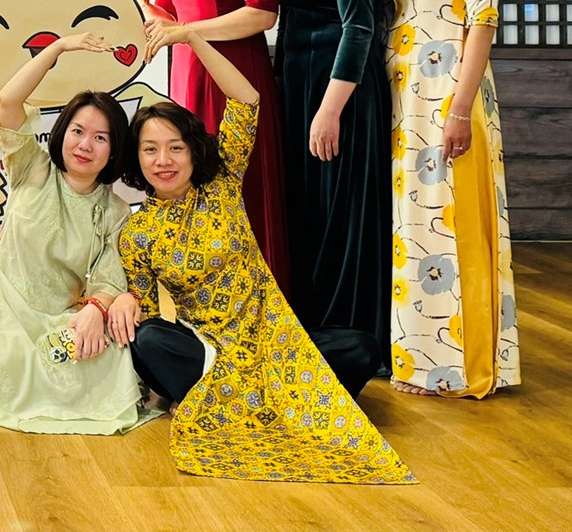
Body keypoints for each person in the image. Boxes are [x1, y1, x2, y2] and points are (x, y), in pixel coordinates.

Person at [113, 29, 412, 484]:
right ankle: (265, 398)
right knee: (150, 339)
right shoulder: (137, 233)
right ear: (137, 159)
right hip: (209, 352)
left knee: (360, 348)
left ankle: (245, 398)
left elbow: (247, 99)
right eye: (150, 150)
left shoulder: (221, 185)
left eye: (175, 147)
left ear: (193, 152)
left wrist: (192, 36)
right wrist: (124, 300)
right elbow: (149, 315)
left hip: (273, 344)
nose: (163, 160)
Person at [378, 0, 520, 398]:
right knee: (409, 227)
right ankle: (411, 358)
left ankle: (459, 367)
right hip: (395, 98)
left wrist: (460, 108)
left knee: (447, 220)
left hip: (447, 93)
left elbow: (482, 22)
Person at [122, 0, 289, 287]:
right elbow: (167, 19)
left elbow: (261, 14)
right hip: (188, 76)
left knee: (239, 180)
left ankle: (257, 296)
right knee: (189, 176)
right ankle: (199, 295)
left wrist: (188, 33)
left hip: (235, 74)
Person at [0, 33, 144, 435]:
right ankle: (38, 384)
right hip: (4, 319)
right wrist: (57, 48)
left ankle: (41, 382)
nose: (85, 145)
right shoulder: (32, 167)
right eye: (78, 131)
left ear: (114, 150)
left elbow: (110, 278)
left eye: (100, 138)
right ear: (62, 132)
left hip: (59, 321)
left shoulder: (114, 210)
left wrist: (95, 310)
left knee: (111, 355)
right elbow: (8, 101)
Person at [269, 0, 391, 346]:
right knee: (308, 211)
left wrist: (329, 110)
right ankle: (313, 328)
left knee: (341, 212)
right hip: (298, 89)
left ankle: (351, 335)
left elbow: (359, 27)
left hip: (340, 95)